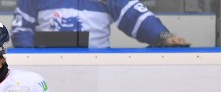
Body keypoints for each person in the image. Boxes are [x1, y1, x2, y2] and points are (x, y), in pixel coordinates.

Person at [11, 0, 190, 48]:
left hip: (96, 69)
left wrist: (163, 36)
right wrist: (35, 62)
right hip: (47, 72)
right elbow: (21, 30)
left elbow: (135, 15)